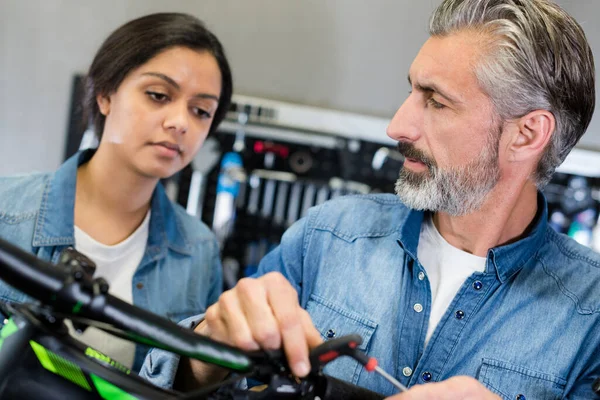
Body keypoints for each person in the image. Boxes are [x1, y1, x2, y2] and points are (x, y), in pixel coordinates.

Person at [141, 0, 600, 398]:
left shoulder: (591, 316)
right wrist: (205, 354)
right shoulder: (327, 237)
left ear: (526, 134)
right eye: (411, 91)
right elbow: (181, 383)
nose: (398, 126)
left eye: (436, 102)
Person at [0, 12, 232, 372]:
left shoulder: (198, 252)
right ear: (105, 94)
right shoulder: (6, 211)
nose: (180, 123)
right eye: (158, 95)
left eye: (201, 111)